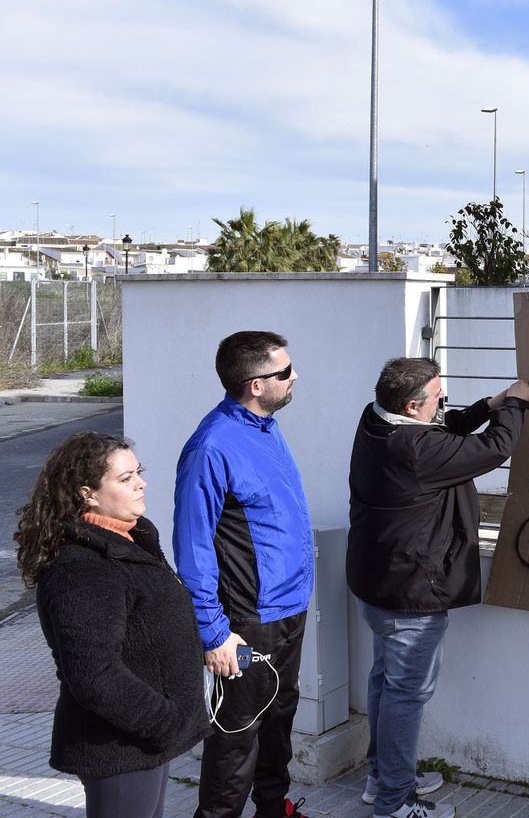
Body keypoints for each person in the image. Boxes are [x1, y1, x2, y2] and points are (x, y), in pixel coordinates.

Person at [347, 358, 529, 818]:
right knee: (405, 695)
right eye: (438, 397)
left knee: (384, 683)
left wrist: (488, 404)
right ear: (413, 407)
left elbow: (445, 428)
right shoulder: (415, 450)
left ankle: (382, 778)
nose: (443, 404)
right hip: (410, 595)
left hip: (375, 583)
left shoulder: (375, 419)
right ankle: (394, 802)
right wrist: (516, 405)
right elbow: (493, 448)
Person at [14, 432, 209, 818]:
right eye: (125, 478)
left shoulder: (127, 540)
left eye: (139, 471)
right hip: (119, 746)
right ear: (88, 493)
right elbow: (94, 675)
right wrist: (166, 722)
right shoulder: (81, 568)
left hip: (144, 741)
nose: (141, 482)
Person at [174, 330, 314, 818]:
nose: (294, 376)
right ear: (256, 384)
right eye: (284, 372)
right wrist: (214, 635)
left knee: (278, 723)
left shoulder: (266, 428)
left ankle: (274, 810)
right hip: (246, 622)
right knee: (237, 736)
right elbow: (192, 549)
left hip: (288, 609)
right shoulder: (211, 446)